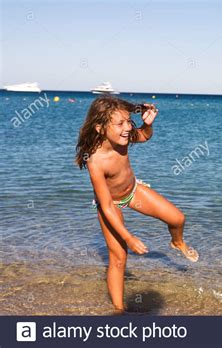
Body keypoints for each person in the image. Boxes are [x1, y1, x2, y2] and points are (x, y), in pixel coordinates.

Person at [75, 96, 199, 312]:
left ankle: (177, 242)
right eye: (120, 124)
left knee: (178, 218)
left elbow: (144, 136)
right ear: (100, 128)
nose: (127, 129)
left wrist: (147, 124)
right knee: (119, 258)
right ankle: (119, 310)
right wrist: (128, 237)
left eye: (128, 122)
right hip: (110, 204)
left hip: (132, 191)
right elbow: (105, 206)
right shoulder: (96, 160)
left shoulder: (123, 136)